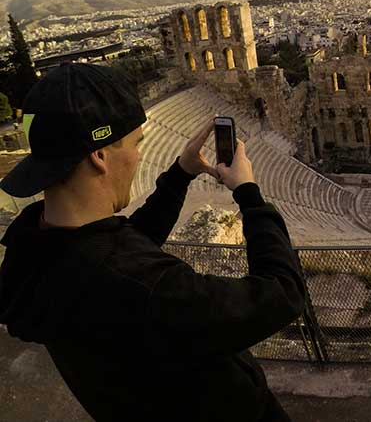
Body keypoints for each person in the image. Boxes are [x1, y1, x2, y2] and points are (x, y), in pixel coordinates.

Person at [0, 63, 304, 422]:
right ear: (99, 155)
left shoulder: (34, 249)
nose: (140, 156)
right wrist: (250, 195)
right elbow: (282, 293)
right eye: (136, 144)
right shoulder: (148, 290)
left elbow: (121, 246)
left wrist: (180, 173)